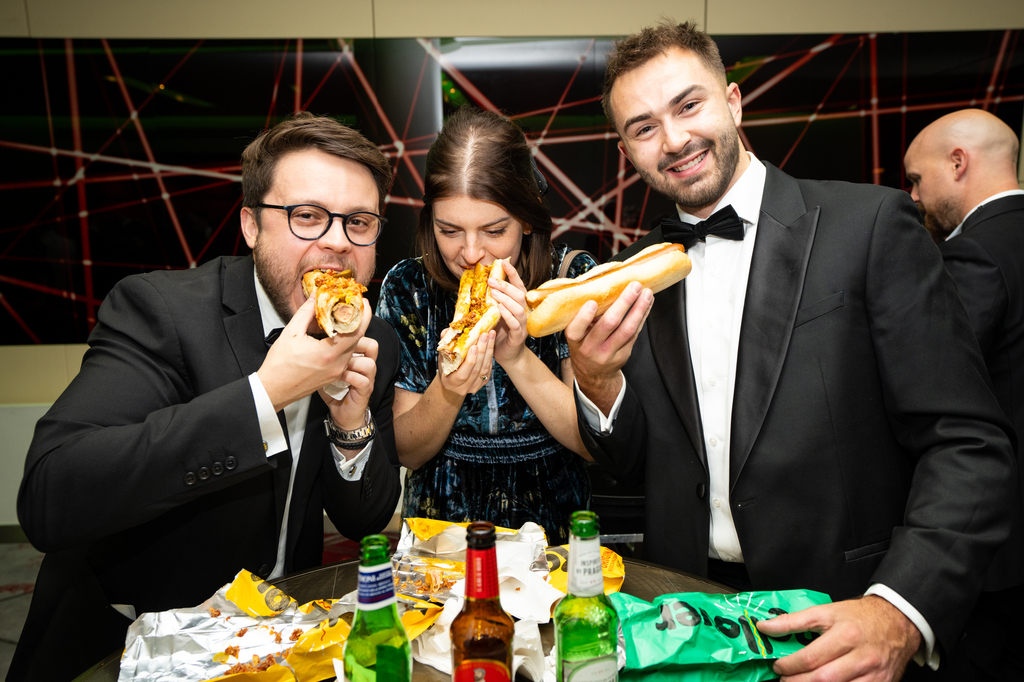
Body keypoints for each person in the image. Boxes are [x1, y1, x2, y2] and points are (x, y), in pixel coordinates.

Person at [566, 20, 1017, 682]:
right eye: (644, 127)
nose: (674, 140)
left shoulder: (869, 226)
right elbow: (636, 464)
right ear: (627, 150)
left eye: (688, 105)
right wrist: (598, 382)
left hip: (843, 619)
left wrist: (898, 610)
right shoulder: (633, 273)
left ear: (733, 102)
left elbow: (967, 443)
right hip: (685, 623)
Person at [11, 113, 403, 681]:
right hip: (128, 647)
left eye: (359, 222)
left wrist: (350, 425)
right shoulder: (162, 311)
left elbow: (364, 518)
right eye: (307, 216)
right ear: (251, 225)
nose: (338, 242)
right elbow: (51, 496)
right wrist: (265, 394)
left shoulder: (374, 339)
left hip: (279, 644)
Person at [375, 106, 594, 545]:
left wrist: (517, 358)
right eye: (449, 230)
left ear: (527, 218)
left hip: (552, 521)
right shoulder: (408, 287)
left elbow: (589, 443)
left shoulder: (571, 279)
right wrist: (448, 387)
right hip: (441, 528)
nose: (471, 253)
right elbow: (406, 452)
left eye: (494, 231)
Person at [905, 108, 1024, 680]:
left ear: (958, 163)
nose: (913, 197)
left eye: (916, 179)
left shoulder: (975, 252)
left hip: (1003, 546)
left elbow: (933, 378)